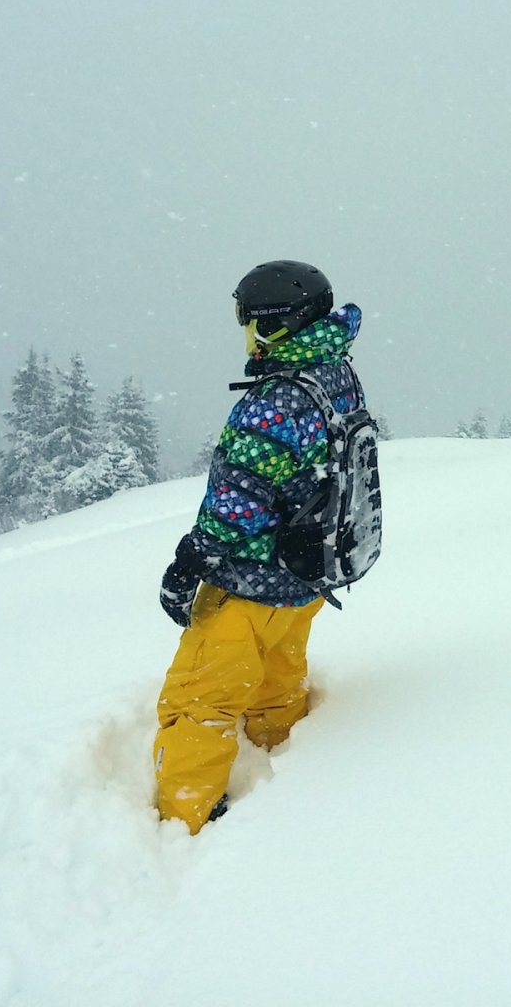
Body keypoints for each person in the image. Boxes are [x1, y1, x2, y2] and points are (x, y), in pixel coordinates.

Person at [152, 259, 370, 833]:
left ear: (278, 324)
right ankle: (280, 758)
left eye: (253, 324)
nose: (248, 336)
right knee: (277, 679)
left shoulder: (277, 402)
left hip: (248, 584)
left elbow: (239, 502)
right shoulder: (334, 373)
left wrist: (189, 562)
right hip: (305, 576)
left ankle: (185, 818)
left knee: (198, 703)